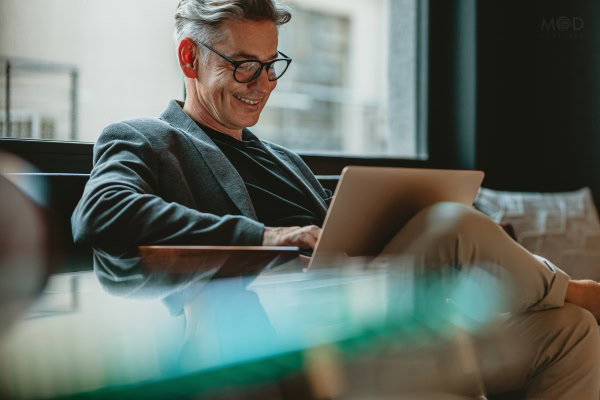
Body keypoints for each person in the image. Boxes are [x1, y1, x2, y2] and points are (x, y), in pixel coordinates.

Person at [72, 0, 600, 398]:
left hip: (368, 309)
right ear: (190, 57)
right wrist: (267, 236)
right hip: (282, 335)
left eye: (271, 64)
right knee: (452, 226)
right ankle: (570, 287)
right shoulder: (144, 137)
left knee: (569, 331)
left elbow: (349, 231)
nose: (263, 84)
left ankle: (560, 299)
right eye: (243, 65)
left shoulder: (285, 159)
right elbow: (102, 212)